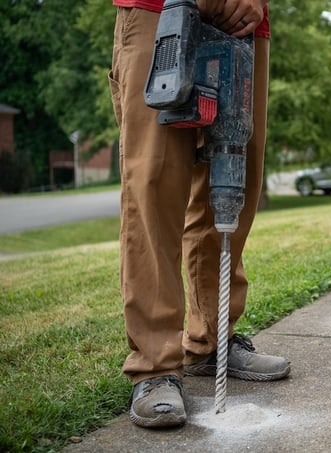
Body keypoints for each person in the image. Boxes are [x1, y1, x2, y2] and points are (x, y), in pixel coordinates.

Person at [109, 0, 290, 429]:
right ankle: (155, 366)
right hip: (161, 10)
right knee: (154, 187)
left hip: (245, 22)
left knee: (233, 182)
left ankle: (211, 341)